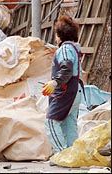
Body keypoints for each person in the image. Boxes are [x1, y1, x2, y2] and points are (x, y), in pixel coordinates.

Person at [42, 14, 84, 155]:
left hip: (66, 91)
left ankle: (61, 154)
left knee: (51, 121)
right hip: (75, 91)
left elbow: (67, 67)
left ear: (60, 35)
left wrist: (55, 82)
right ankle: (73, 154)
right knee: (69, 124)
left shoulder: (65, 49)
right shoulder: (74, 48)